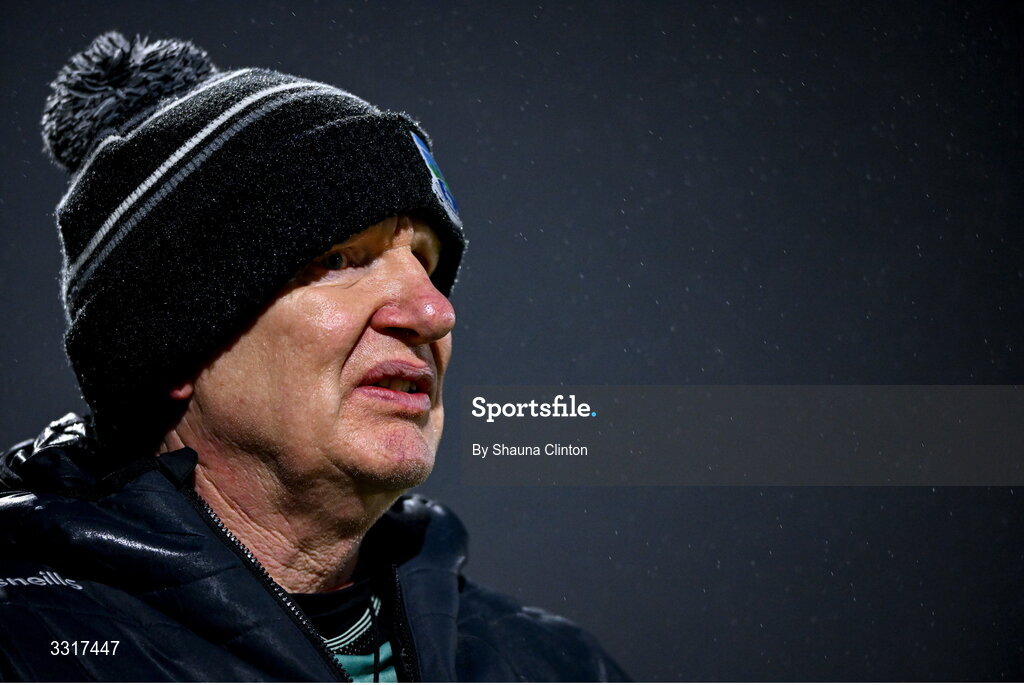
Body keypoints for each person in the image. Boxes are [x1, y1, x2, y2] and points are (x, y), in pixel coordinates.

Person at [0, 32, 628, 682]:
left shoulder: (555, 667)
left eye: (427, 265)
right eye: (339, 258)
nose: (434, 312)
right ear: (171, 346)